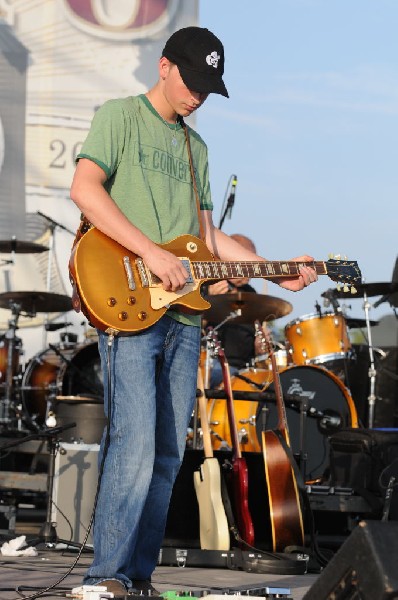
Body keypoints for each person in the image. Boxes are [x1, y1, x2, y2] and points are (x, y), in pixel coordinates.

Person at [69, 26, 318, 595]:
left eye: (209, 87)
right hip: (131, 305)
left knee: (164, 453)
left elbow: (207, 240)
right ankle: (102, 577)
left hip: (183, 316)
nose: (198, 96)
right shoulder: (119, 116)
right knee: (133, 444)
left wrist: (272, 267)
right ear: (164, 66)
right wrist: (151, 253)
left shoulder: (195, 147)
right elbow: (85, 189)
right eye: (193, 81)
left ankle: (135, 578)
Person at [203, 233, 264, 388]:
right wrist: (209, 299)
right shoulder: (208, 285)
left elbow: (257, 338)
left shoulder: (251, 293)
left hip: (246, 368)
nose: (250, 274)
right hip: (215, 363)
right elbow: (194, 327)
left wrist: (260, 346)